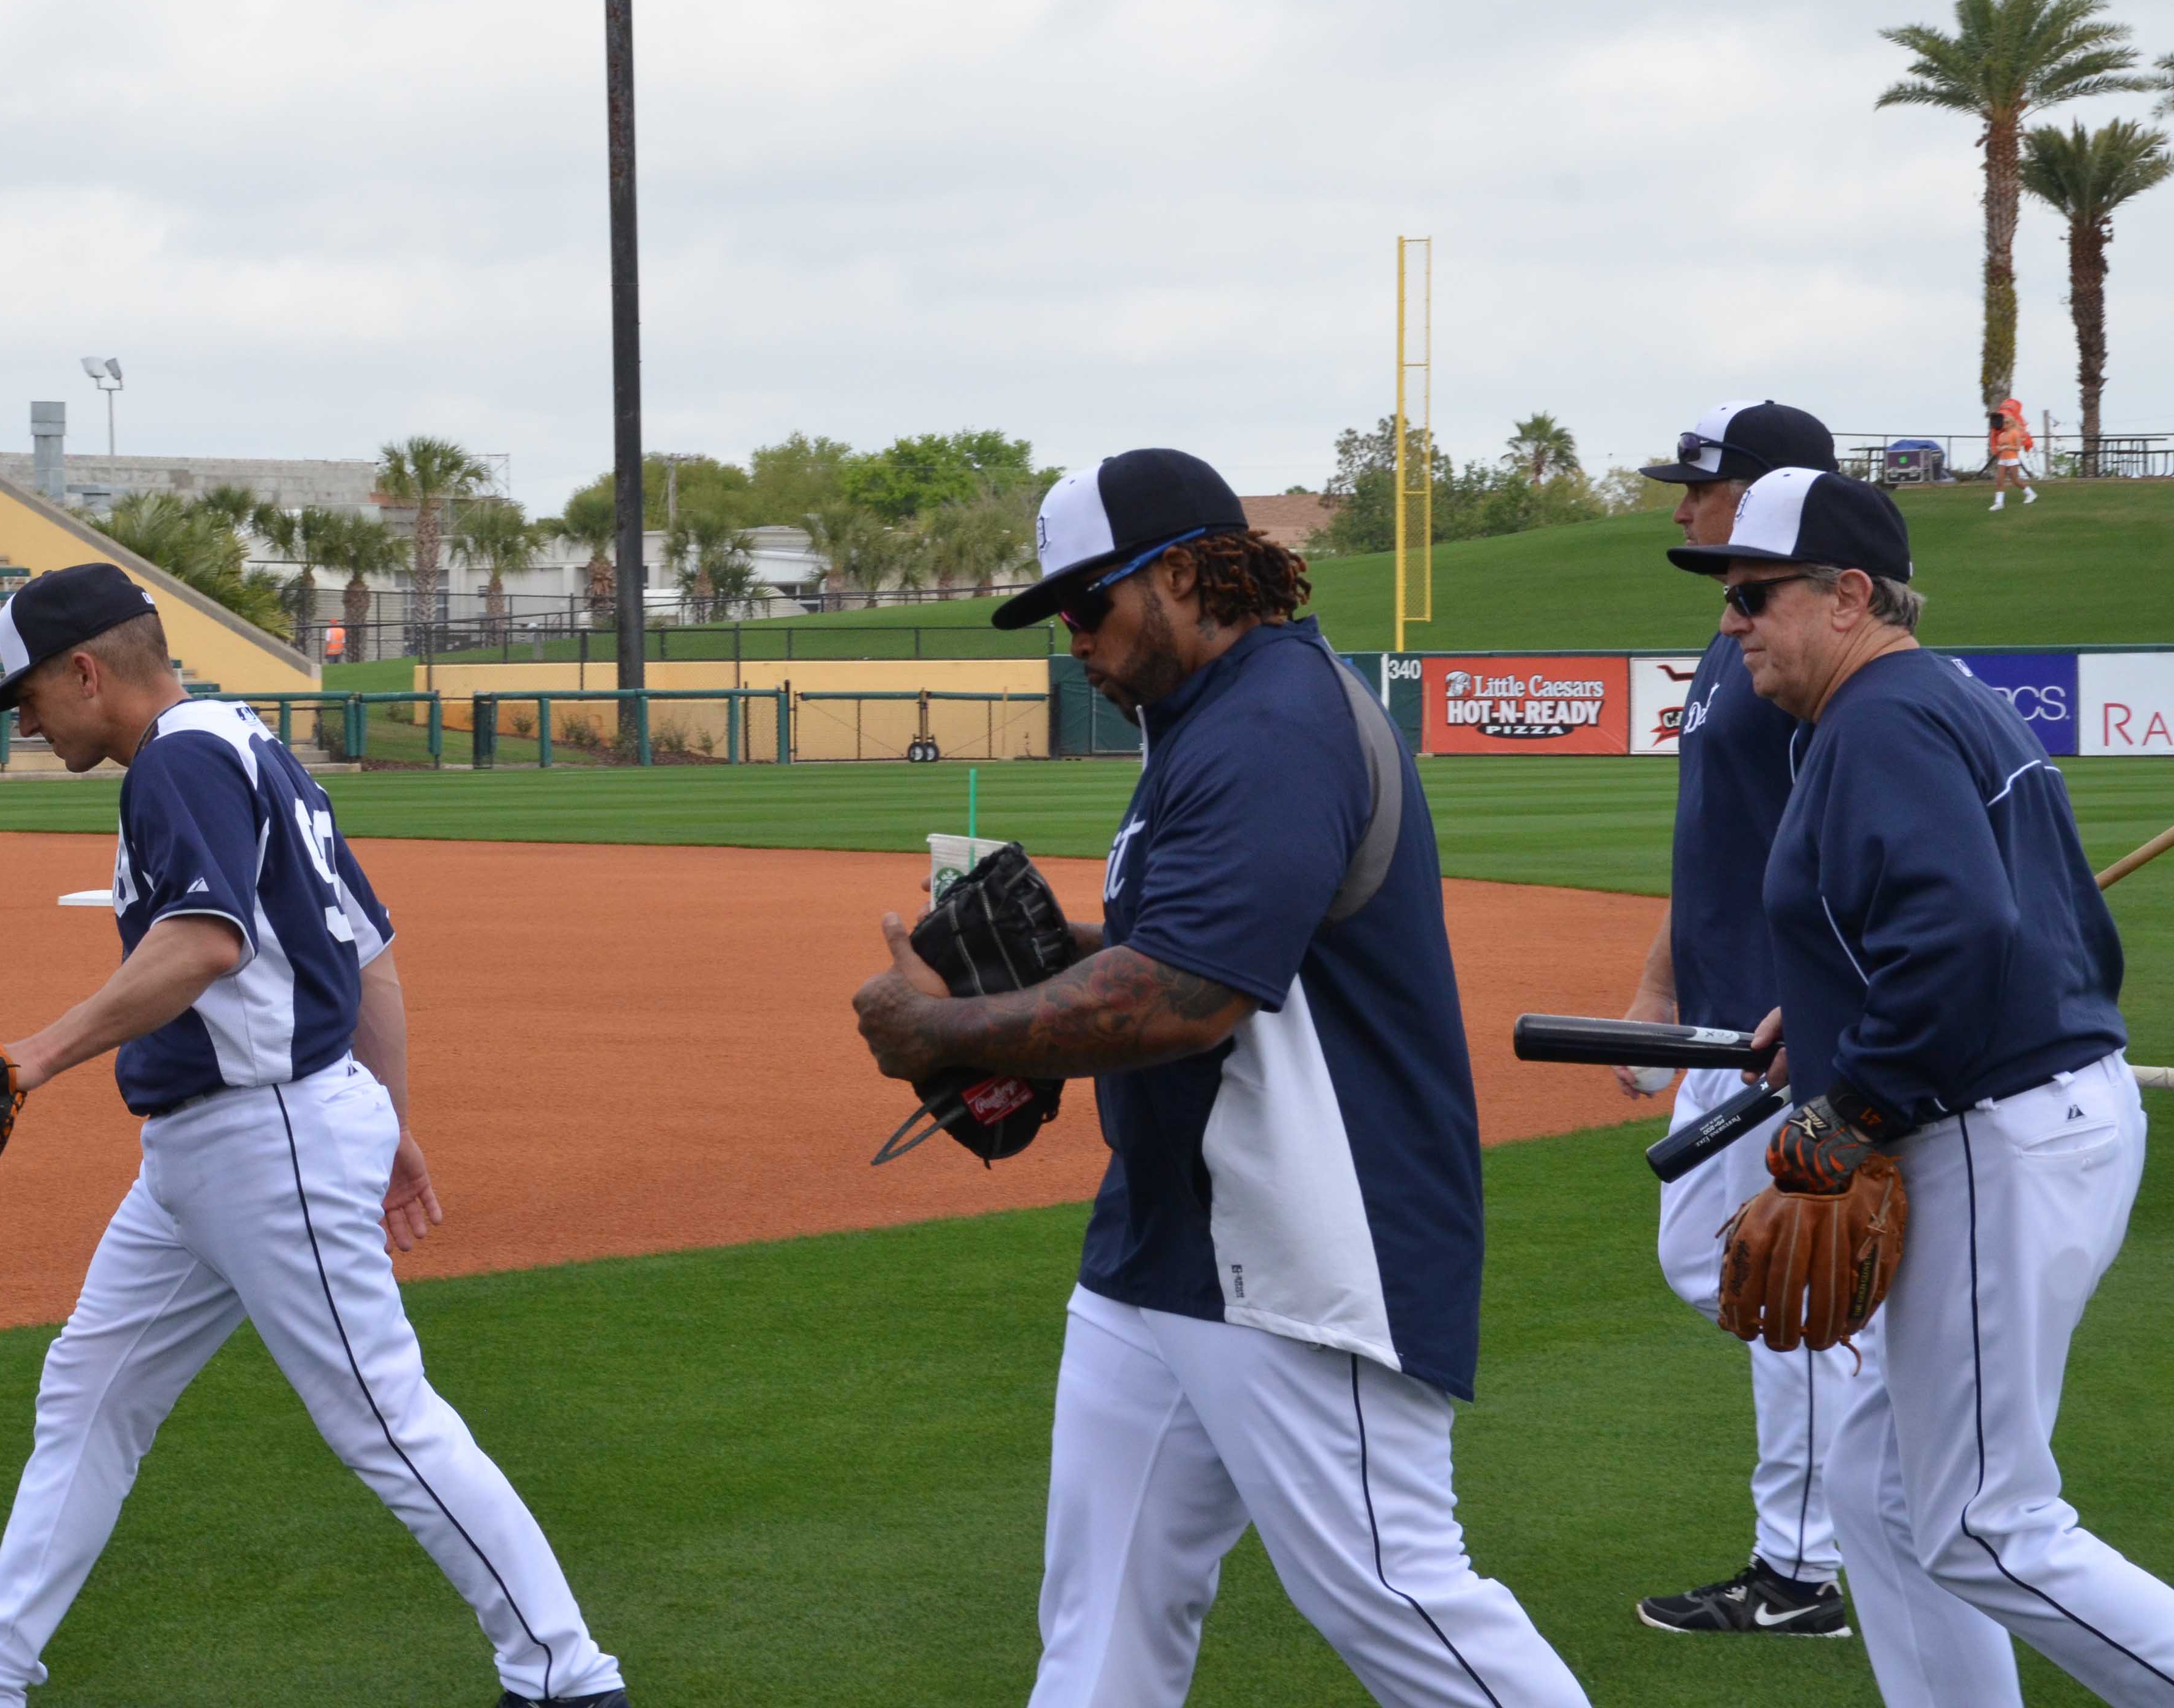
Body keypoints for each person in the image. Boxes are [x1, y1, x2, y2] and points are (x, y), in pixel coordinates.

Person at [0, 563, 626, 1708]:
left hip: (266, 1139)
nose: (25, 720)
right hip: (217, 1150)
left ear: (86, 669)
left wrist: (26, 1056)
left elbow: (203, 943)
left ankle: (566, 1678)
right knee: (90, 1388)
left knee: (383, 1416)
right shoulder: (248, 741)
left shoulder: (178, 759)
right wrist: (387, 1119)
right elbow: (368, 953)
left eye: (29, 695)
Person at [854, 449, 1587, 1708]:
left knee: (1394, 1591)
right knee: (1101, 1625)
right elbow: (1185, 952)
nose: (1072, 639)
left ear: (1185, 574)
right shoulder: (1208, 722)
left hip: (1308, 1240)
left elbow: (1187, 1000)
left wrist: (951, 1035)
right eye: (1057, 618)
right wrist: (1020, 980)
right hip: (1167, 1241)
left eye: (1089, 605)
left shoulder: (1272, 725)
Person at [1676, 467, 2174, 1704]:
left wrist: (1849, 1110)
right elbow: (2030, 931)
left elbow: (1961, 938)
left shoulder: (1879, 718)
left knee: (1983, 1524)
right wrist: (1838, 1007)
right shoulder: (1926, 697)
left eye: (1753, 595)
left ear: (1846, 595)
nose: (1731, 623)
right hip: (2033, 1113)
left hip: (1990, 1137)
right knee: (1878, 1487)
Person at [1612, 400, 1861, 1639]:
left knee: (1790, 1284)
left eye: (1698, 489)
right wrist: (1658, 987)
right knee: (1717, 1263)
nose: (1680, 508)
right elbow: (1711, 844)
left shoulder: (1816, 658)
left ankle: (1800, 1568)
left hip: (1784, 1034)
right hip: (1715, 1020)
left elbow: (1861, 850)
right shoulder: (1734, 639)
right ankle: (1872, 1405)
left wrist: (1820, 1004)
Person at [1988, 397, 2036, 510]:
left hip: (2012, 459)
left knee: (2015, 480)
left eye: (2007, 422)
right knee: (1999, 480)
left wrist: (2008, 447)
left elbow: (2018, 448)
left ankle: (2031, 494)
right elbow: (1999, 446)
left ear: (2011, 423)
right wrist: (1999, 449)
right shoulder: (2001, 435)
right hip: (2003, 459)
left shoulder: (2015, 433)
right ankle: (1999, 503)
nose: (2005, 424)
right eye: (2004, 422)